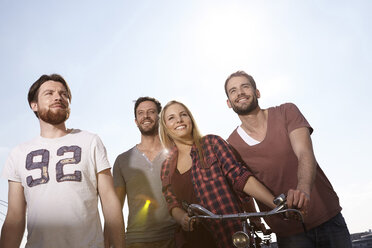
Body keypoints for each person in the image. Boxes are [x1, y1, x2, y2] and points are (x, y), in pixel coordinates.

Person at [224, 70, 352, 248]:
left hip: (328, 218)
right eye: (233, 91)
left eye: (245, 86)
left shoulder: (286, 111)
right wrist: (263, 217)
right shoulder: (231, 145)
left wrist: (303, 189)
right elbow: (245, 185)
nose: (240, 93)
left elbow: (304, 152)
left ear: (257, 92)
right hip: (289, 233)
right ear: (229, 103)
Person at [0, 74, 125, 248]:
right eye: (49, 93)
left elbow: (109, 201)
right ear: (33, 105)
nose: (58, 97)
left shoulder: (90, 141)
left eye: (63, 94)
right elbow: (14, 216)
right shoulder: (18, 154)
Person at [159, 100, 278, 248]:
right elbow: (171, 202)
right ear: (165, 126)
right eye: (171, 118)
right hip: (192, 241)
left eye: (184, 114)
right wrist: (181, 217)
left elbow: (239, 176)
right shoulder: (166, 166)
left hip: (229, 235)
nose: (179, 120)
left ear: (190, 119)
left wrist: (276, 204)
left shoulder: (211, 143)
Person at [112, 97, 176, 248]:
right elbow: (115, 208)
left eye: (151, 112)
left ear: (160, 118)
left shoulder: (175, 152)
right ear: (136, 121)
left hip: (175, 237)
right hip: (136, 240)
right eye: (140, 113)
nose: (145, 116)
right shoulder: (122, 160)